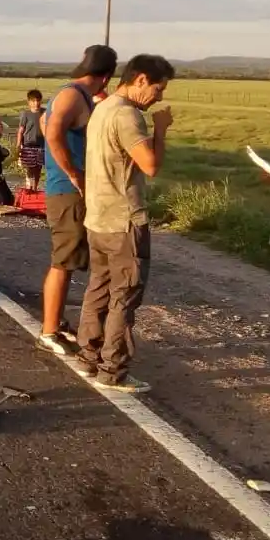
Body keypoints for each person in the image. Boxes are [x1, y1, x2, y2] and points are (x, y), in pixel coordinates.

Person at [71, 54, 175, 393]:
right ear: (141, 79)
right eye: (158, 89)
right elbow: (151, 166)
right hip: (124, 221)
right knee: (124, 296)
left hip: (98, 217)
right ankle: (113, 370)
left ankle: (88, 356)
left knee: (98, 289)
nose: (159, 97)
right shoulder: (128, 115)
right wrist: (161, 130)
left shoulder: (102, 108)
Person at [37, 44, 118, 356]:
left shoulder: (76, 95)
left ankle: (55, 323)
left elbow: (45, 123)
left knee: (69, 262)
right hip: (67, 192)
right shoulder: (72, 96)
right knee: (63, 262)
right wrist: (72, 172)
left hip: (70, 191)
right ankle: (48, 332)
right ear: (106, 76)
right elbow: (52, 132)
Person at [16, 89, 45, 192]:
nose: (36, 103)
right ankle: (29, 187)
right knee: (30, 168)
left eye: (38, 100)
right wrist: (18, 145)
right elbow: (20, 131)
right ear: (29, 102)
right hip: (28, 145)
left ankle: (35, 188)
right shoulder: (26, 114)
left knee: (38, 168)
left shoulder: (44, 112)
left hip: (41, 145)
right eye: (33, 101)